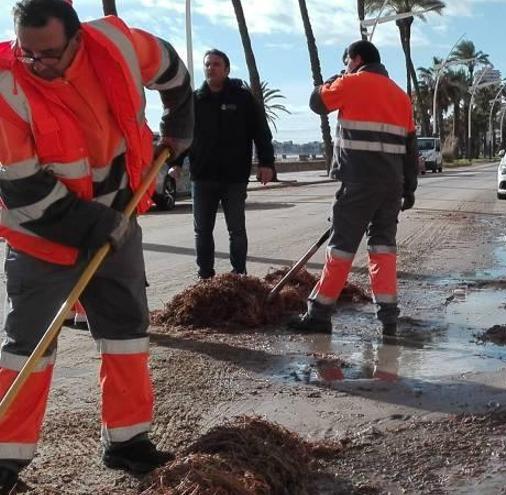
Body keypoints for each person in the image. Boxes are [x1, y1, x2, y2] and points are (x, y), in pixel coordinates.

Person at [0, 0, 193, 489]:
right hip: (41, 231)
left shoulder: (117, 45)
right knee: (28, 345)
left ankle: (128, 441)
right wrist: (95, 225)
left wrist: (179, 122)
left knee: (126, 331)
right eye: (27, 52)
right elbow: (24, 188)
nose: (36, 64)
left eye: (48, 54)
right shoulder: (6, 85)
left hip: (117, 215)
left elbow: (172, 68)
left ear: (76, 37)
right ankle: (4, 458)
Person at [287, 40, 418, 336]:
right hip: (391, 186)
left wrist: (334, 79)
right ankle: (388, 317)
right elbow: (410, 149)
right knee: (383, 247)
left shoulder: (350, 83)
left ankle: (319, 313)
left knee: (342, 247)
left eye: (347, 60)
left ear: (356, 59)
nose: (345, 65)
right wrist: (409, 188)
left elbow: (316, 102)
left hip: (358, 181)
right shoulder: (401, 96)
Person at [188, 49, 275, 279]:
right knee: (202, 231)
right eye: (207, 64)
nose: (210, 68)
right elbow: (183, 135)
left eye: (216, 64)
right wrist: (175, 163)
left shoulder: (243, 98)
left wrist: (266, 163)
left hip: (234, 177)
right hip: (202, 176)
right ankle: (205, 276)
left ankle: (239, 275)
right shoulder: (195, 100)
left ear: (226, 69)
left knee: (236, 230)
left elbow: (261, 132)